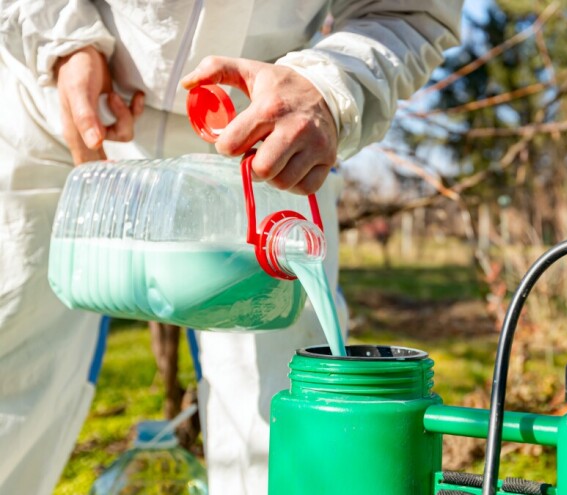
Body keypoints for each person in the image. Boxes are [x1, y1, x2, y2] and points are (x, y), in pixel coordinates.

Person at [0, 1, 461, 494]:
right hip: (60, 102)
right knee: (12, 349)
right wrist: (63, 43)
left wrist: (328, 86)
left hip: (265, 134)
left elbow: (411, 11)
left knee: (285, 405)